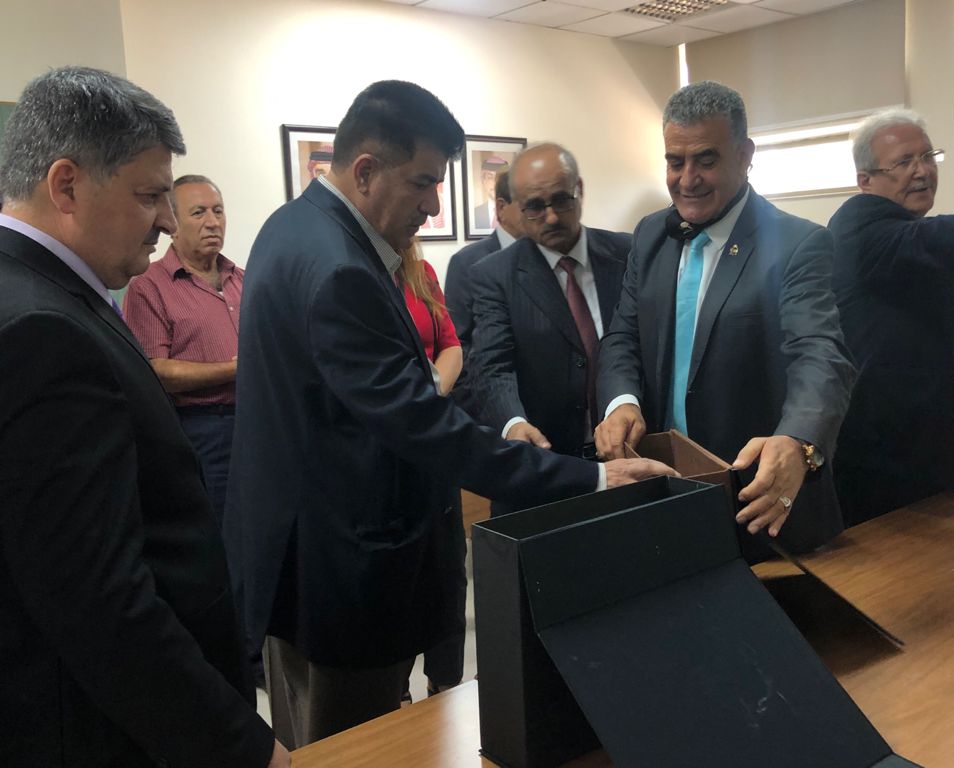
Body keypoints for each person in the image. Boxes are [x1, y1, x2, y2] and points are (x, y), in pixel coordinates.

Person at [223, 79, 673, 748]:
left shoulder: (292, 227)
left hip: (304, 552)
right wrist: (594, 479)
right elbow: (425, 427)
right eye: (424, 183)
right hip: (341, 569)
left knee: (317, 734)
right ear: (366, 171)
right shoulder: (340, 268)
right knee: (356, 747)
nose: (435, 205)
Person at [0, 66, 287, 768]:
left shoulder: (43, 292)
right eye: (150, 195)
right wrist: (240, 747)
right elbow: (98, 600)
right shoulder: (42, 327)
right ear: (66, 186)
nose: (167, 220)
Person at [596, 80, 855, 562]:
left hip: (758, 503)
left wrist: (799, 440)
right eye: (675, 162)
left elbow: (820, 354)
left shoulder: (797, 243)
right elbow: (623, 335)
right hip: (664, 491)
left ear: (745, 155)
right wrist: (621, 401)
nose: (687, 179)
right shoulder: (651, 234)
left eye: (706, 160)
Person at [829, 108, 954, 525]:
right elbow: (943, 238)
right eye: (903, 162)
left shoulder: (906, 235)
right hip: (884, 479)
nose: (922, 171)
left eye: (928, 157)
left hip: (938, 474)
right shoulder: (860, 228)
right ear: (865, 180)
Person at [471, 142, 630, 460]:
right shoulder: (495, 275)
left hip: (629, 446)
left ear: (579, 189)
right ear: (517, 207)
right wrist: (513, 423)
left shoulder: (627, 253)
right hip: (547, 455)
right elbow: (492, 367)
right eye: (535, 207)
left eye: (561, 200)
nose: (552, 217)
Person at [124, 175, 241, 525]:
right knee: (219, 529)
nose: (213, 222)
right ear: (173, 225)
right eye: (199, 212)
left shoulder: (243, 278)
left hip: (257, 421)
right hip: (204, 430)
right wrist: (236, 369)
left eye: (218, 211)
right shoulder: (149, 286)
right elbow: (155, 372)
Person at [396, 240, 467, 701]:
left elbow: (451, 345)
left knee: (448, 563)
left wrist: (430, 391)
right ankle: (395, 691)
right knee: (401, 569)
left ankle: (445, 682)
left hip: (434, 431)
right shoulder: (356, 277)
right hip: (388, 438)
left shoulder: (421, 273)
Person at [445, 167, 523, 415]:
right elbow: (458, 343)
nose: (542, 214)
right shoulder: (467, 263)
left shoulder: (549, 260)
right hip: (492, 409)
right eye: (528, 204)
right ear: (501, 207)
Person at [473, 154, 508, 229]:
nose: (495, 182)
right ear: (483, 181)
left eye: (499, 177)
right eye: (490, 177)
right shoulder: (474, 214)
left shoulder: (516, 214)